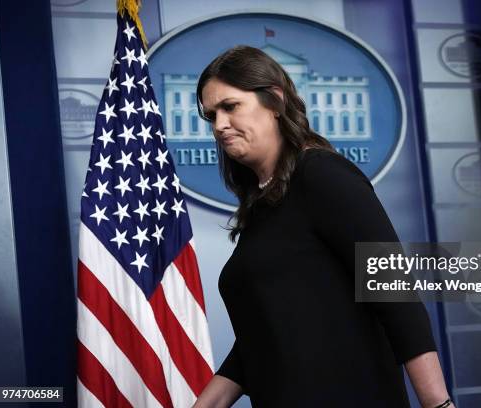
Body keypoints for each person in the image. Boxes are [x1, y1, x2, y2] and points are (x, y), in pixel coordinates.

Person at [192, 45, 453, 408]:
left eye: (230, 106)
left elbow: (394, 292)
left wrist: (438, 404)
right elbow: (261, 336)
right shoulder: (264, 203)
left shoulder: (321, 174)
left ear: (275, 100)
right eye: (211, 115)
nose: (219, 125)